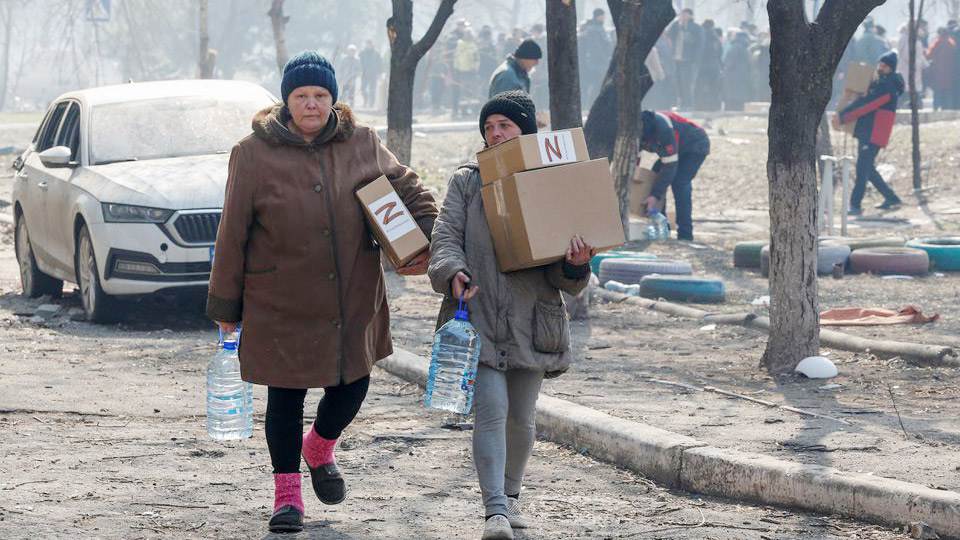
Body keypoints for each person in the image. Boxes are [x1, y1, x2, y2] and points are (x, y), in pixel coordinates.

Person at [206, 51, 438, 533]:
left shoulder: (362, 143)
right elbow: (232, 233)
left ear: (333, 99)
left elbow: (408, 191)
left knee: (353, 381)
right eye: (300, 96)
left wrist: (429, 239)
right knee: (285, 397)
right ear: (285, 100)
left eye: (320, 95)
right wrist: (226, 306)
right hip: (279, 297)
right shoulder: (251, 153)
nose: (311, 104)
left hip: (351, 294)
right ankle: (287, 496)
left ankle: (320, 447)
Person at [428, 90, 594, 540]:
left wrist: (577, 263)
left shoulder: (550, 182)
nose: (495, 134)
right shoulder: (468, 181)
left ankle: (512, 495)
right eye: (489, 127)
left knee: (522, 417)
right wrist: (452, 271)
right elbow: (444, 237)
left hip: (531, 321)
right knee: (492, 410)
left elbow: (566, 276)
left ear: (526, 133)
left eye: (505, 126)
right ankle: (495, 511)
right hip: (477, 315)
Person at [838, 51, 905, 215]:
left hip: (874, 132)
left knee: (862, 168)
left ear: (891, 68)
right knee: (868, 168)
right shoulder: (880, 82)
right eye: (880, 65)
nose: (880, 68)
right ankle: (892, 198)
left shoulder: (887, 86)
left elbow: (868, 104)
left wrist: (844, 116)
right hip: (869, 131)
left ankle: (855, 205)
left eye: (884, 66)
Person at [639, 110, 710, 242]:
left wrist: (655, 195)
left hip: (695, 146)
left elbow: (670, 167)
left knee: (679, 183)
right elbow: (634, 161)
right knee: (654, 176)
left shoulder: (663, 129)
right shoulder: (635, 130)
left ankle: (685, 234)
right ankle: (663, 229)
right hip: (675, 151)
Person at [667, 8, 703, 109]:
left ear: (690, 16)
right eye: (682, 14)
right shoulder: (676, 26)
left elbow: (700, 45)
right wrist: (677, 24)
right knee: (678, 83)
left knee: (686, 83)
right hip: (676, 59)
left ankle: (688, 104)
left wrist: (696, 60)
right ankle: (681, 104)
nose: (682, 16)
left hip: (688, 60)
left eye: (685, 14)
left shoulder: (696, 28)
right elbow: (668, 34)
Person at [578, 8, 613, 107]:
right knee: (598, 85)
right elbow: (597, 49)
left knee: (597, 85)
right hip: (598, 64)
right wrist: (605, 60)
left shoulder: (593, 28)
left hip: (595, 63)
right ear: (599, 16)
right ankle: (593, 105)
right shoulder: (594, 30)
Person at [694, 19, 723, 111]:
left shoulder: (702, 36)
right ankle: (714, 107)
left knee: (701, 87)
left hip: (704, 66)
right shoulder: (716, 37)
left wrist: (697, 62)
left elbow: (700, 51)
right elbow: (720, 51)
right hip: (715, 66)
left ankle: (701, 107)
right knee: (714, 88)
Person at [925, 27, 957, 110]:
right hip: (949, 72)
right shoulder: (951, 43)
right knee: (947, 91)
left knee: (937, 90)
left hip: (937, 72)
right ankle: (947, 108)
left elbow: (929, 55)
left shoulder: (937, 42)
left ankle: (936, 107)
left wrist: (925, 52)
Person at [453, 29, 480, 118]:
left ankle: (474, 110)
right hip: (462, 72)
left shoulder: (473, 45)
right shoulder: (460, 45)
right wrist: (456, 68)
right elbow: (456, 58)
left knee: (472, 92)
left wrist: (475, 68)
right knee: (463, 92)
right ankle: (463, 110)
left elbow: (476, 58)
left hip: (471, 71)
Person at [722, 31, 752, 111]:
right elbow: (749, 63)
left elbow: (730, 62)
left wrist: (725, 70)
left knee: (731, 95)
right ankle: (739, 110)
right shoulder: (745, 49)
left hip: (733, 75)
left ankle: (731, 111)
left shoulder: (734, 47)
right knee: (740, 95)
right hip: (743, 75)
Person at [359, 40, 383, 109]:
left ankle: (371, 104)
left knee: (372, 89)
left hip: (373, 74)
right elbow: (359, 63)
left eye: (370, 44)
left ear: (372, 45)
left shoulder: (376, 53)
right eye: (367, 44)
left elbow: (379, 64)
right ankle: (365, 101)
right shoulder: (362, 53)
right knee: (363, 89)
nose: (369, 45)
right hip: (364, 74)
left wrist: (380, 73)